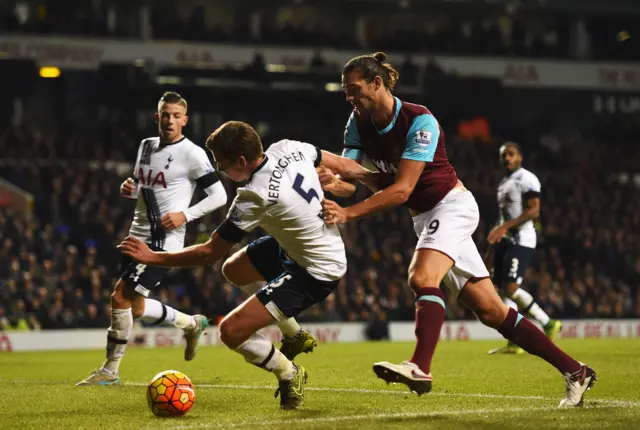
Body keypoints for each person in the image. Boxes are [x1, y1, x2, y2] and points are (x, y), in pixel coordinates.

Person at [319, 52, 596, 407]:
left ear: (377, 83)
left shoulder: (420, 121)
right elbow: (353, 179)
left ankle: (420, 366)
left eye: (354, 89)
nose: (349, 97)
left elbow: (402, 189)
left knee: (421, 277)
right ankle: (576, 371)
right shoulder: (357, 122)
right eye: (346, 91)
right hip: (425, 217)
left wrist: (348, 213)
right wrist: (331, 181)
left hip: (451, 206)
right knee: (493, 312)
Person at [118, 121, 348, 409]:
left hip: (316, 271)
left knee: (231, 331)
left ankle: (290, 372)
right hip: (299, 246)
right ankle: (295, 334)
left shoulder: (253, 195)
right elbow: (344, 165)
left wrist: (151, 256)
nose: (218, 167)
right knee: (233, 269)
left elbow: (208, 253)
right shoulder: (287, 148)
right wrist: (369, 179)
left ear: (240, 161)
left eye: (221, 161)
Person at [77, 92, 228, 386]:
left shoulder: (193, 153)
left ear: (185, 120)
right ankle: (191, 323)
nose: (170, 120)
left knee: (119, 296)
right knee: (136, 307)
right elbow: (142, 185)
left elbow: (219, 195)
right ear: (156, 117)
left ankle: (109, 371)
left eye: (175, 115)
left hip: (163, 242)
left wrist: (186, 215)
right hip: (137, 235)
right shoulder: (146, 146)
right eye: (165, 114)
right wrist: (130, 188)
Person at [487, 142, 562, 355]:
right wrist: (498, 230)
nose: (507, 159)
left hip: (522, 239)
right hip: (507, 239)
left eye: (511, 154)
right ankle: (514, 339)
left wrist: (504, 227)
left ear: (520, 156)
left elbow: (533, 211)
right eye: (504, 156)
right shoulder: (504, 182)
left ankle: (547, 322)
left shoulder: (527, 178)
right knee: (502, 289)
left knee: (510, 288)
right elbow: (506, 214)